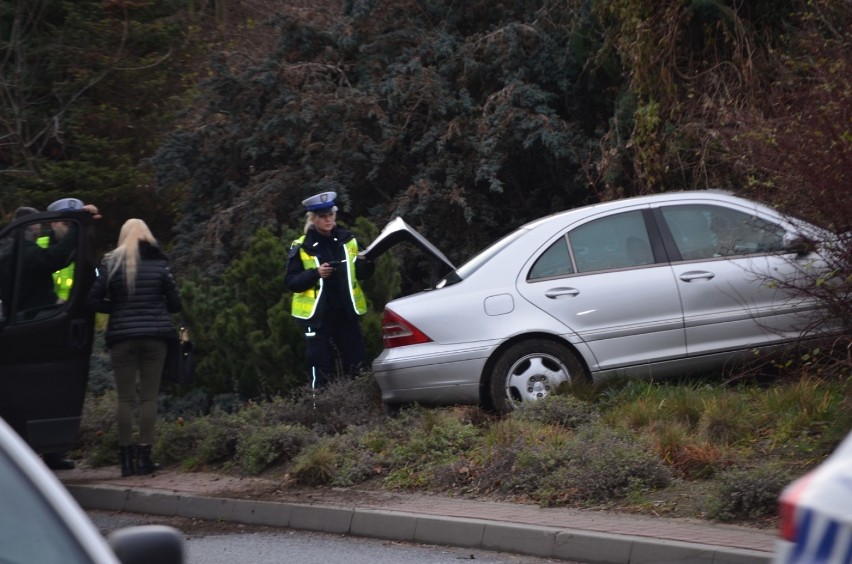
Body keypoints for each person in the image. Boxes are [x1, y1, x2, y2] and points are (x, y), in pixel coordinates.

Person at [8, 200, 100, 470]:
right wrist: (77, 223)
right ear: (31, 227)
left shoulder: (17, 249)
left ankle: (51, 451)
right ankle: (48, 452)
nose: (43, 230)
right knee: (37, 395)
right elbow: (55, 257)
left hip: (35, 322)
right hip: (34, 326)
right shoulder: (24, 253)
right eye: (40, 226)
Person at [86, 218, 182, 477]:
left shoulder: (111, 263)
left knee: (125, 399)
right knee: (148, 398)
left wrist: (116, 309)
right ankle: (145, 457)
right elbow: (175, 304)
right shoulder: (159, 263)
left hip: (122, 337)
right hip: (155, 336)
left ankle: (126, 461)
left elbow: (92, 299)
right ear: (147, 236)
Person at [285, 191, 375, 390]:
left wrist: (369, 262)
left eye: (331, 215)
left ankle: (360, 410)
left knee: (356, 365)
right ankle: (321, 411)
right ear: (313, 219)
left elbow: (362, 273)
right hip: (318, 318)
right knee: (320, 368)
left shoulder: (348, 240)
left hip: (347, 314)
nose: (328, 220)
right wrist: (316, 273)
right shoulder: (302, 246)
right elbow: (291, 282)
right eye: (323, 216)